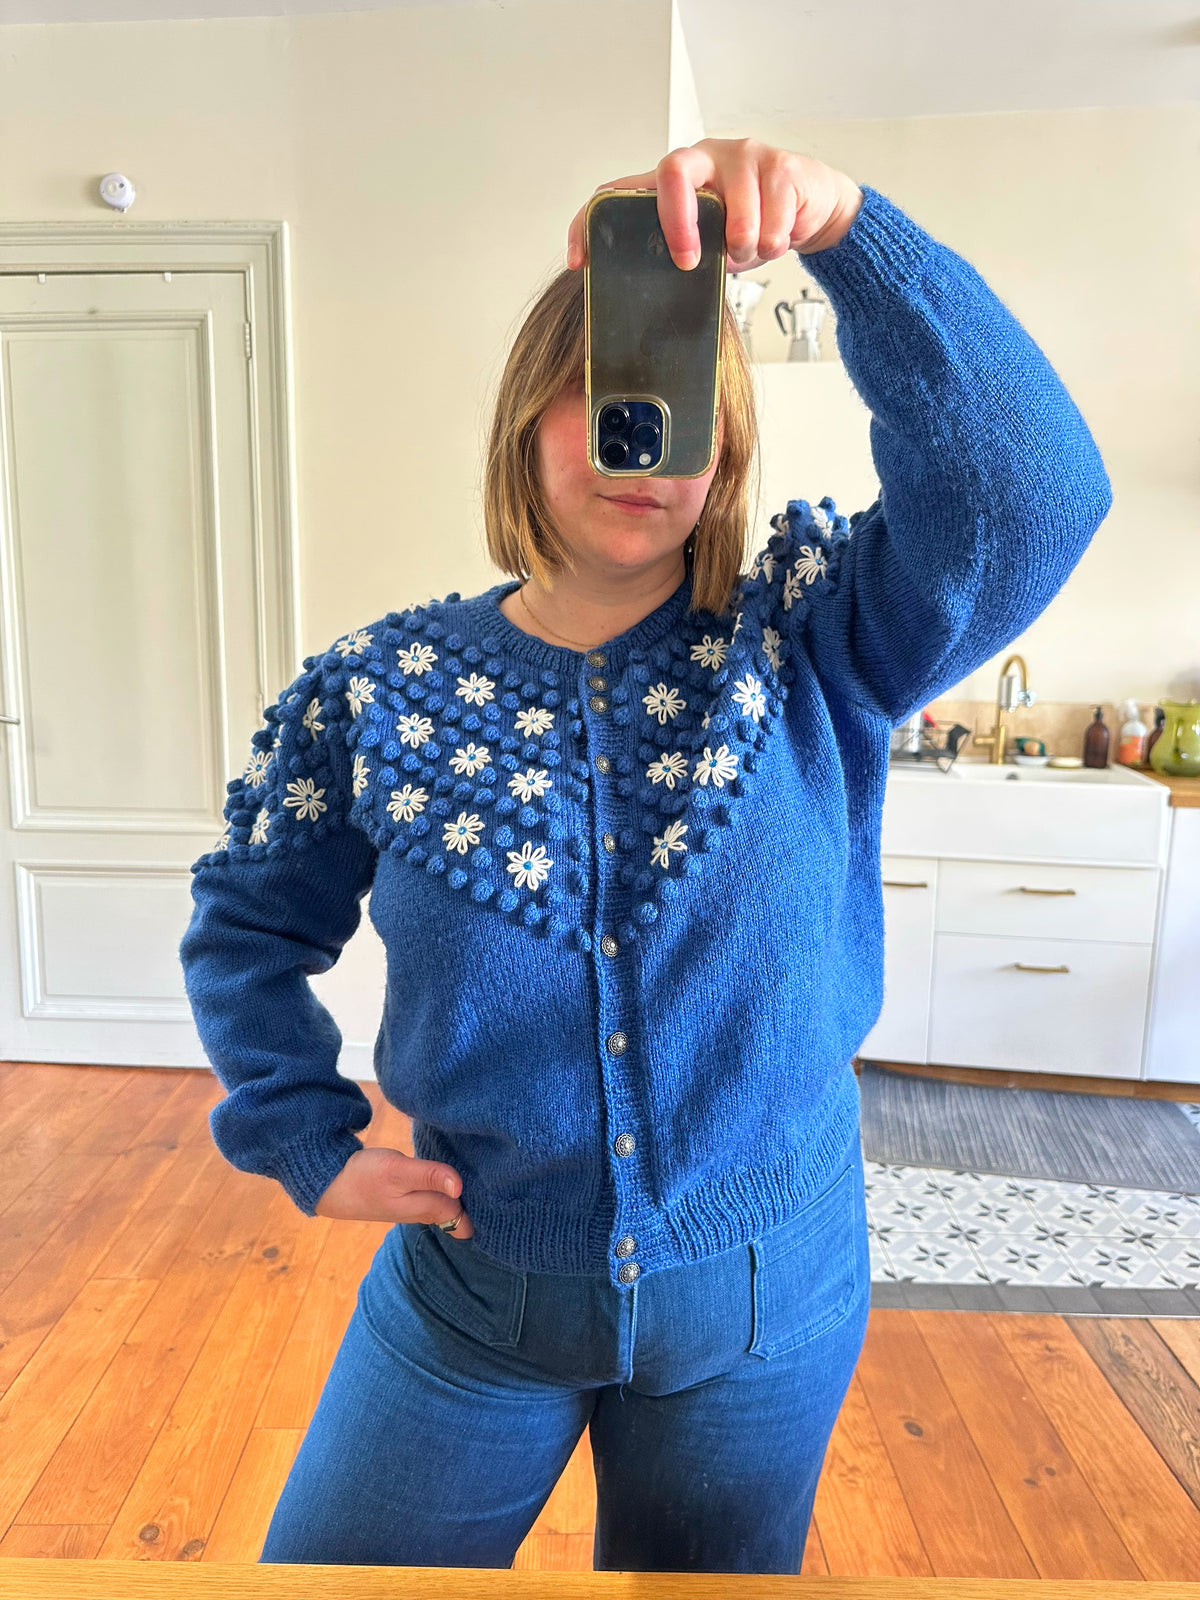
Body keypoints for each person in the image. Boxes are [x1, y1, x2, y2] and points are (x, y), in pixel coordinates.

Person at [178, 137, 1112, 1574]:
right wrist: (298, 1133)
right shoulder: (376, 691)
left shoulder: (815, 634)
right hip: (474, 1300)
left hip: (767, 1305)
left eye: (683, 403)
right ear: (525, 416)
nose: (644, 439)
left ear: (724, 447)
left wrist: (849, 230)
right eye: (598, 391)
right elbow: (248, 923)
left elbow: (1032, 497)